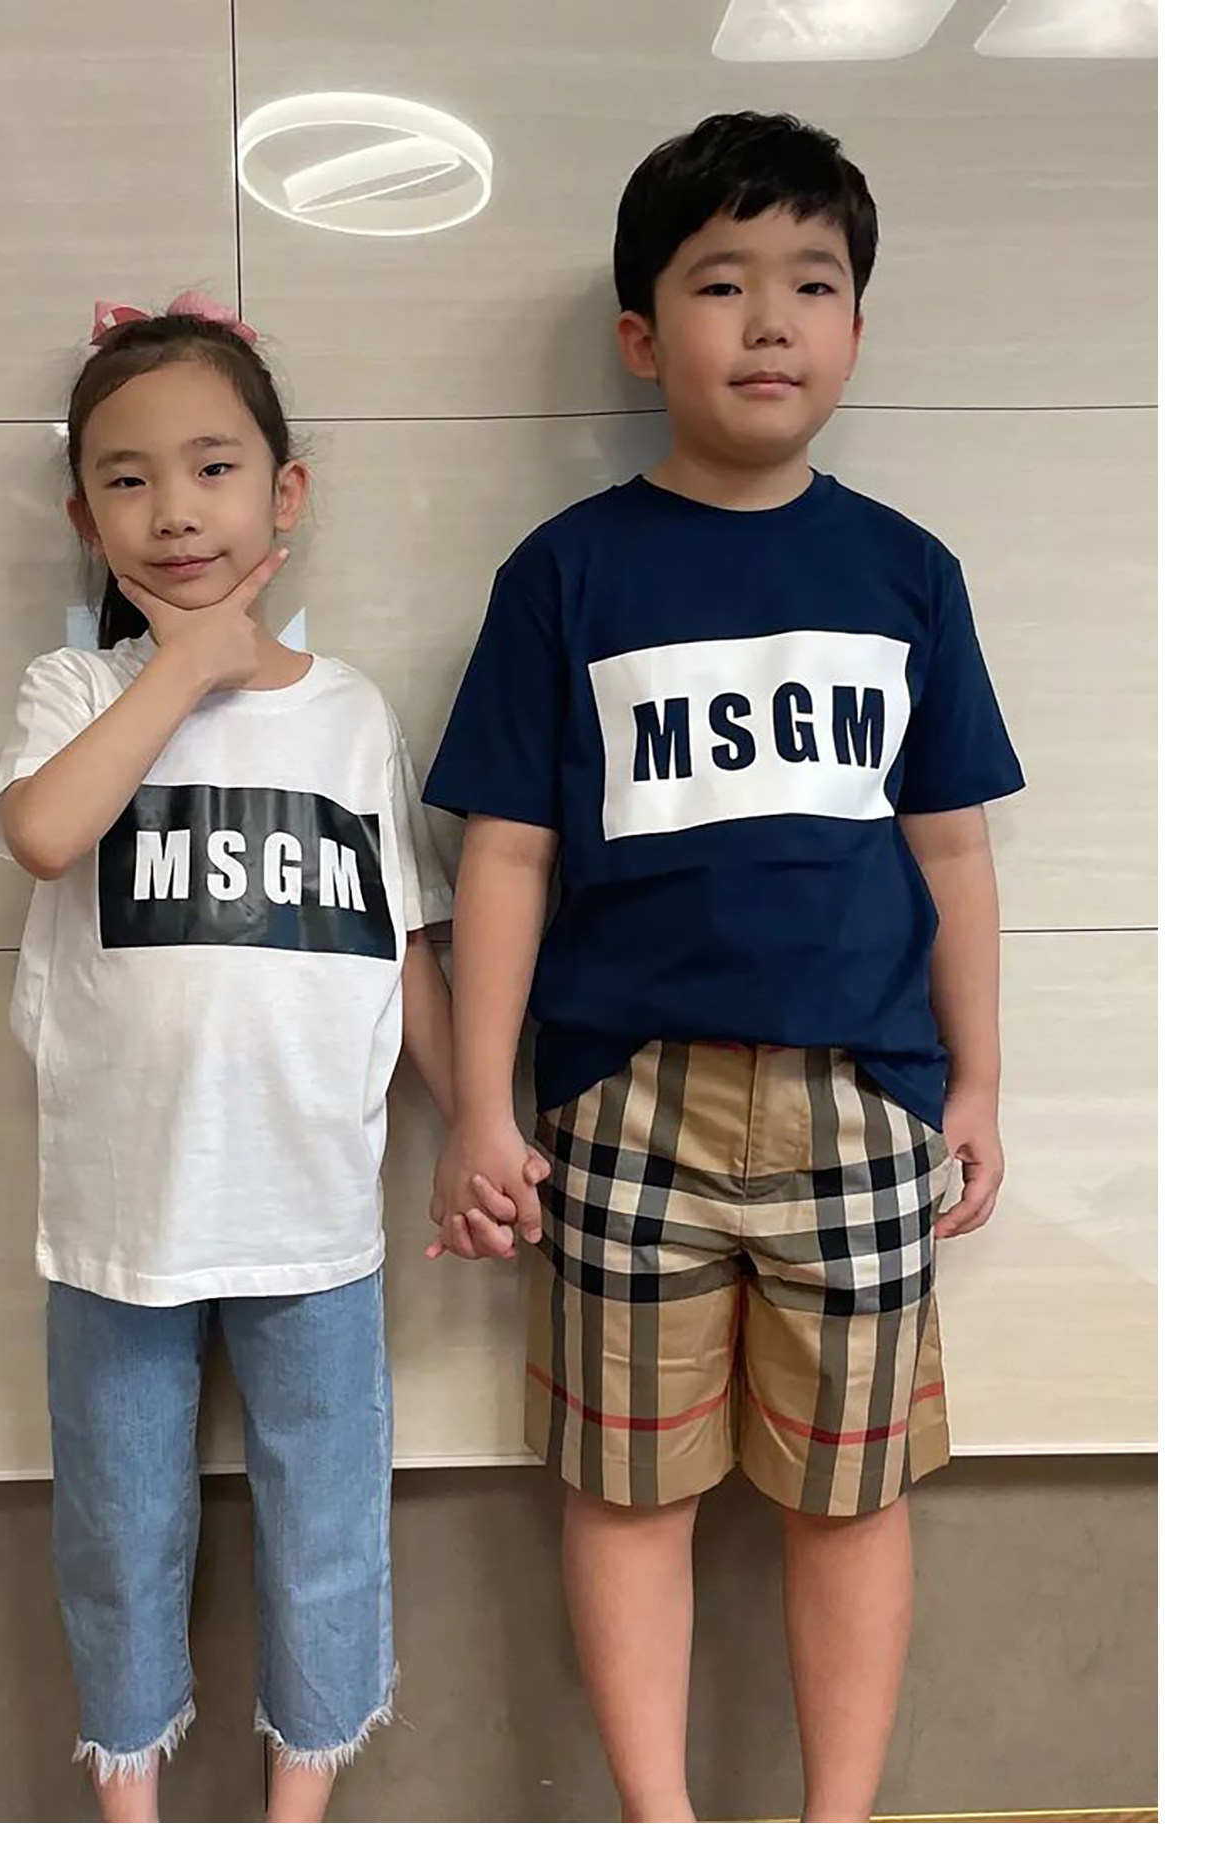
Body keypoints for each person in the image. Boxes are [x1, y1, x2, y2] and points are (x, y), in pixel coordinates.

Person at [424, 115, 1025, 1822]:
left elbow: (953, 852)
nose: (771, 320)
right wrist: (483, 1108)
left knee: (853, 1492)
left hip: (863, 1103)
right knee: (629, 1488)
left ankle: (835, 1827)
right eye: (720, 283)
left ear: (858, 329)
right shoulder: (567, 571)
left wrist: (981, 1081)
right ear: (641, 337)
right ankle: (663, 1826)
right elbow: (505, 856)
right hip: (625, 1107)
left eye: (813, 284)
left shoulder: (908, 572)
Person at [0, 293, 529, 1821]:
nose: (175, 511)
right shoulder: (75, 694)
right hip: (116, 1218)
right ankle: (132, 1815)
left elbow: (404, 947)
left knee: (326, 1523)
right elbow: (45, 833)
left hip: (314, 1214)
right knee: (119, 1528)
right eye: (128, 479)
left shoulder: (352, 716)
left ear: (287, 494)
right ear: (84, 519)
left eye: (213, 468)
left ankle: (294, 1820)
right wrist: (185, 665)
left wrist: (478, 1124)